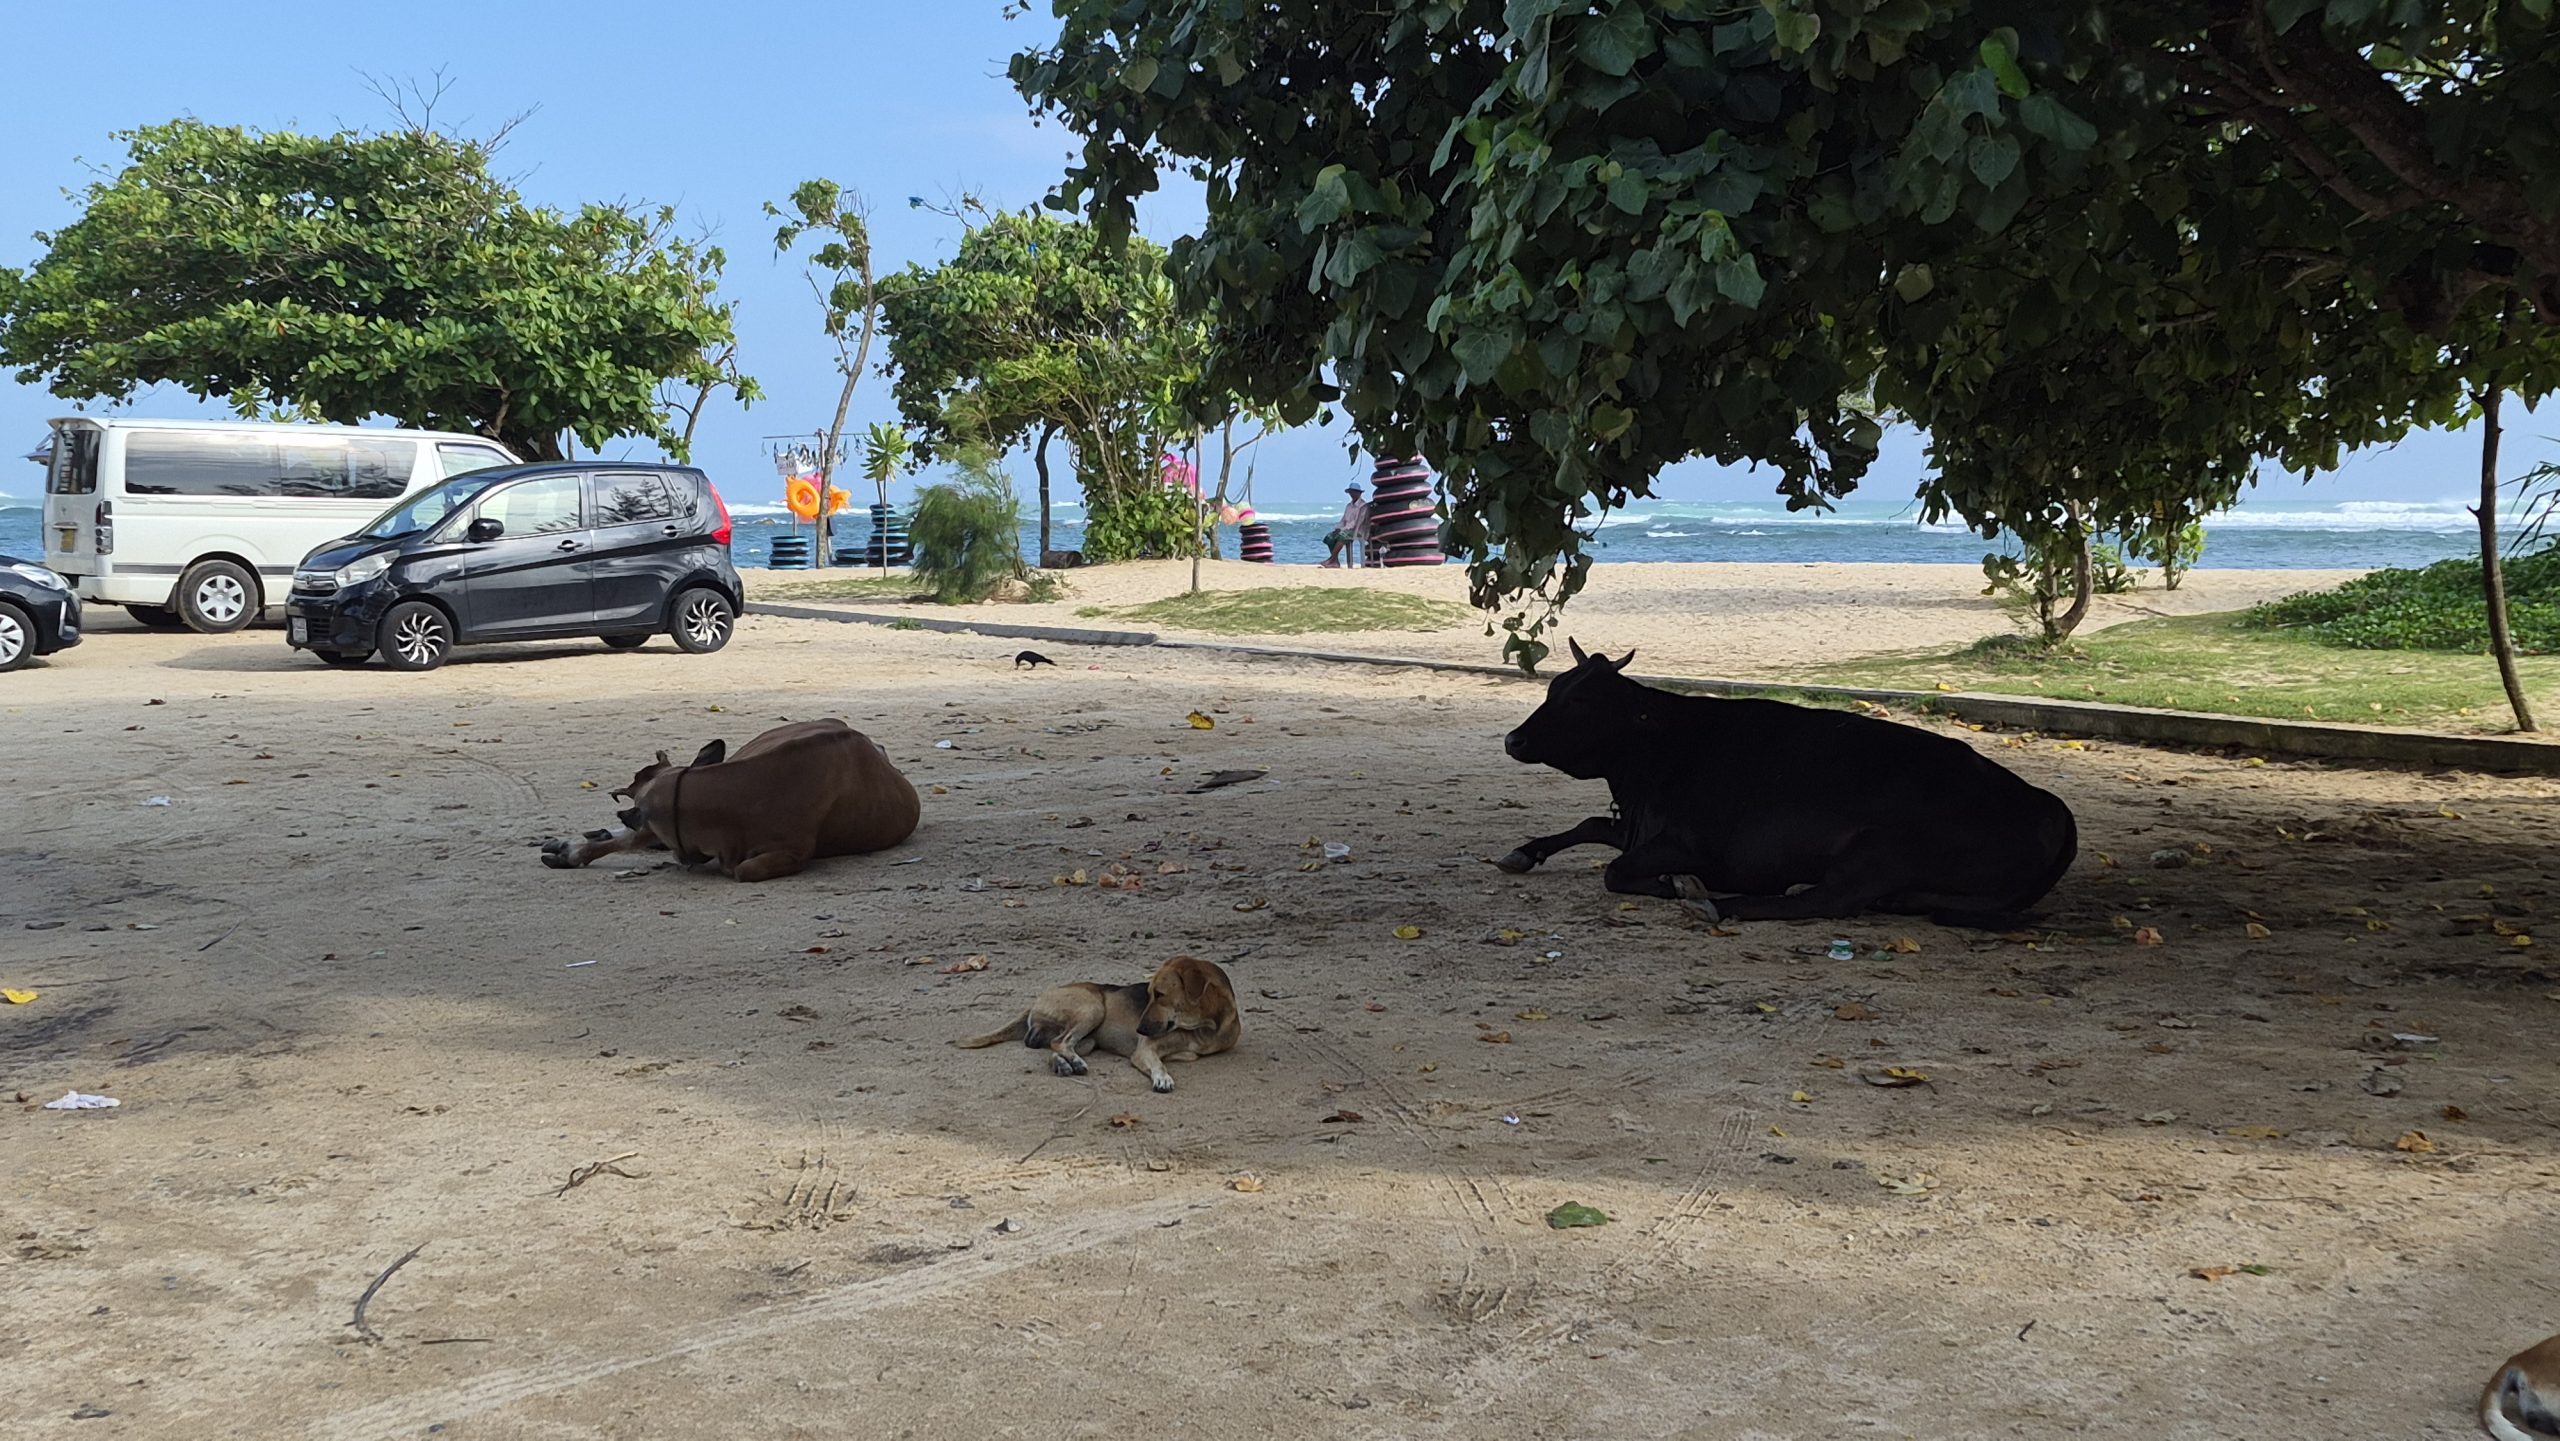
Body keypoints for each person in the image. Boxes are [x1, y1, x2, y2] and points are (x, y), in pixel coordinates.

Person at [1322, 484, 1367, 567]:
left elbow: (1357, 523)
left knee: (1341, 536)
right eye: (1350, 493)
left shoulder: (1363, 506)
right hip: (1346, 529)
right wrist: (1338, 528)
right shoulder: (1349, 506)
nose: (1351, 494)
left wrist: (1343, 529)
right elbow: (1343, 520)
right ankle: (1335, 561)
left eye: (1353, 492)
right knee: (1329, 537)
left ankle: (1331, 559)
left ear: (1359, 493)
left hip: (1357, 530)